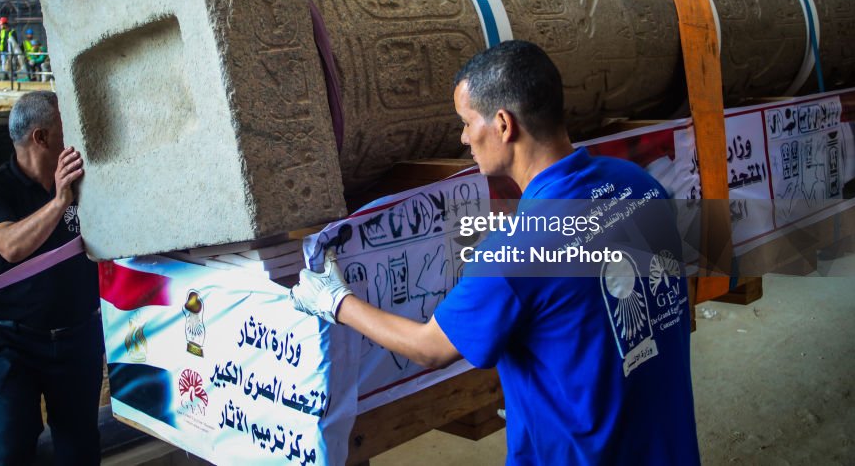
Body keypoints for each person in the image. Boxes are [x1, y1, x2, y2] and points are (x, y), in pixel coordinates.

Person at [291, 40, 700, 466]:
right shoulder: (638, 184)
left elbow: (430, 348)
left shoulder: (513, 256)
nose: (464, 137)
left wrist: (336, 302)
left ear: (504, 125)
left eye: (467, 122)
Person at [0, 91, 103, 465]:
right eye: (68, 126)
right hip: (13, 344)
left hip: (78, 339)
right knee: (8, 452)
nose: (76, 135)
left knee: (80, 448)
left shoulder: (84, 183)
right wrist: (60, 201)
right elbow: (10, 247)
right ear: (42, 138)